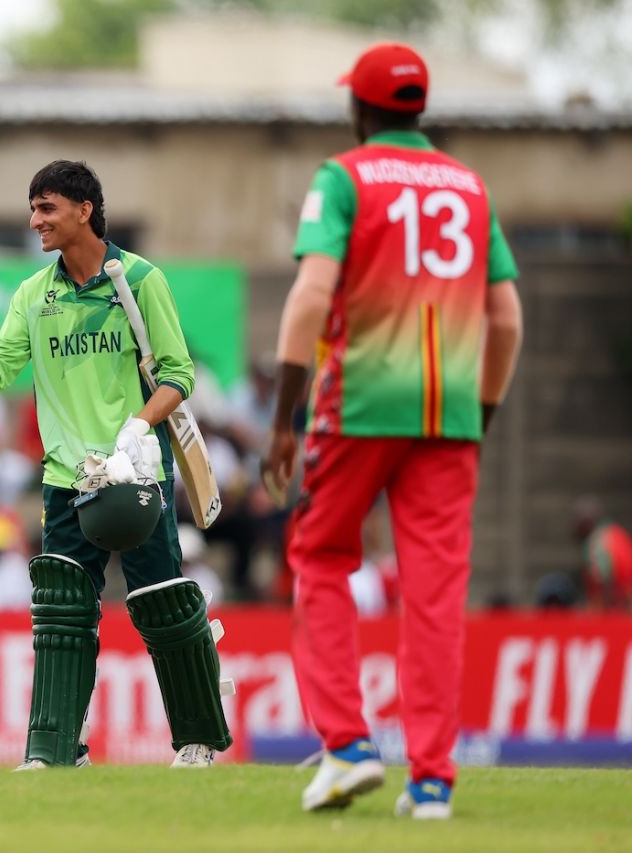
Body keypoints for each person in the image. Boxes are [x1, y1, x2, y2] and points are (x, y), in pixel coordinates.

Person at [0, 160, 231, 769]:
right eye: (33, 207)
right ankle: (54, 749)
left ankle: (197, 741)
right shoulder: (33, 294)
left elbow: (178, 372)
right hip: (68, 477)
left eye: (46, 208)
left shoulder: (140, 280)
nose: (34, 220)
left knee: (162, 599)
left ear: (84, 210)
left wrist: (136, 428)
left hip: (137, 468)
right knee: (63, 608)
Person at [259, 44, 524, 820]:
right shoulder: (472, 188)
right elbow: (507, 317)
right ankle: (434, 780)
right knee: (436, 591)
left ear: (360, 109)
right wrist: (484, 413)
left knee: (320, 553)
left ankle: (346, 748)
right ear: (421, 109)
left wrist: (284, 417)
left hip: (363, 400)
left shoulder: (343, 177)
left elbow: (311, 298)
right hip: (450, 413)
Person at [572, 496, 632, 610]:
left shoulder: (596, 542)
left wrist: (604, 610)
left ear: (587, 522)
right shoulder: (617, 532)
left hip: (616, 608)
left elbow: (601, 576)